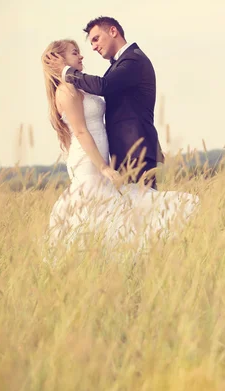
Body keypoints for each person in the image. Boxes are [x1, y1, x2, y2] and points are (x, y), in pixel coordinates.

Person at [40, 39, 199, 256]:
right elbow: (80, 132)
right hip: (89, 162)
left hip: (101, 158)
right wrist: (104, 168)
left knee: (114, 212)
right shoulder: (66, 91)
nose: (82, 56)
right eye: (75, 52)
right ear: (59, 59)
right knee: (95, 213)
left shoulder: (79, 86)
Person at [45, 16, 164, 189]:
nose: (93, 47)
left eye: (96, 39)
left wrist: (65, 71)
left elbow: (103, 86)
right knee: (132, 211)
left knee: (144, 208)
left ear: (113, 31)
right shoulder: (116, 67)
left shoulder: (133, 60)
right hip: (119, 155)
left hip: (136, 152)